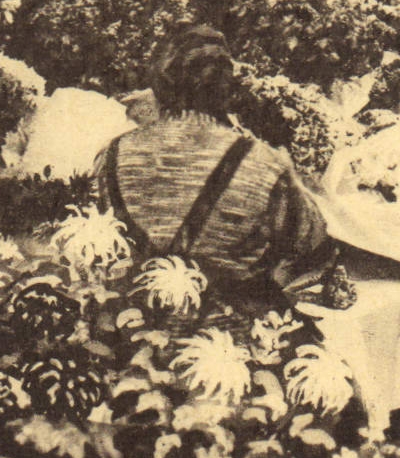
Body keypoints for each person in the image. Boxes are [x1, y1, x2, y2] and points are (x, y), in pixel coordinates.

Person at [93, 25, 352, 309]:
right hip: (231, 340)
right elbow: (312, 247)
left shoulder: (112, 155)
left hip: (131, 333)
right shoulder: (262, 162)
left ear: (157, 84)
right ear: (225, 87)